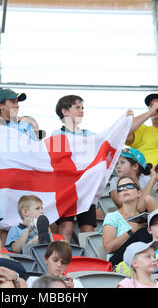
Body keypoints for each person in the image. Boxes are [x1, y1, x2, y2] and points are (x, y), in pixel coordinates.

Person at [51, 95, 97, 242]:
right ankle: (62, 260)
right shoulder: (57, 135)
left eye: (82, 108)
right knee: (67, 226)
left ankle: (88, 262)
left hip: (86, 187)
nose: (81, 111)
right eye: (77, 108)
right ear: (65, 111)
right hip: (66, 187)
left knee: (88, 228)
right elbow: (57, 160)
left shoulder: (90, 135)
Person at [101, 176, 152, 267]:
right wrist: (131, 231)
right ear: (118, 196)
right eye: (120, 188)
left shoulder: (145, 217)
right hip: (119, 263)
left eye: (129, 186)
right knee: (142, 232)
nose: (125, 189)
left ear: (139, 193)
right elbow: (108, 248)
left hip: (143, 260)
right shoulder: (112, 216)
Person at [126, 93, 158, 166]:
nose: (155, 107)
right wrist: (149, 113)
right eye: (151, 106)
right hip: (148, 175)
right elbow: (123, 132)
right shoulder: (143, 130)